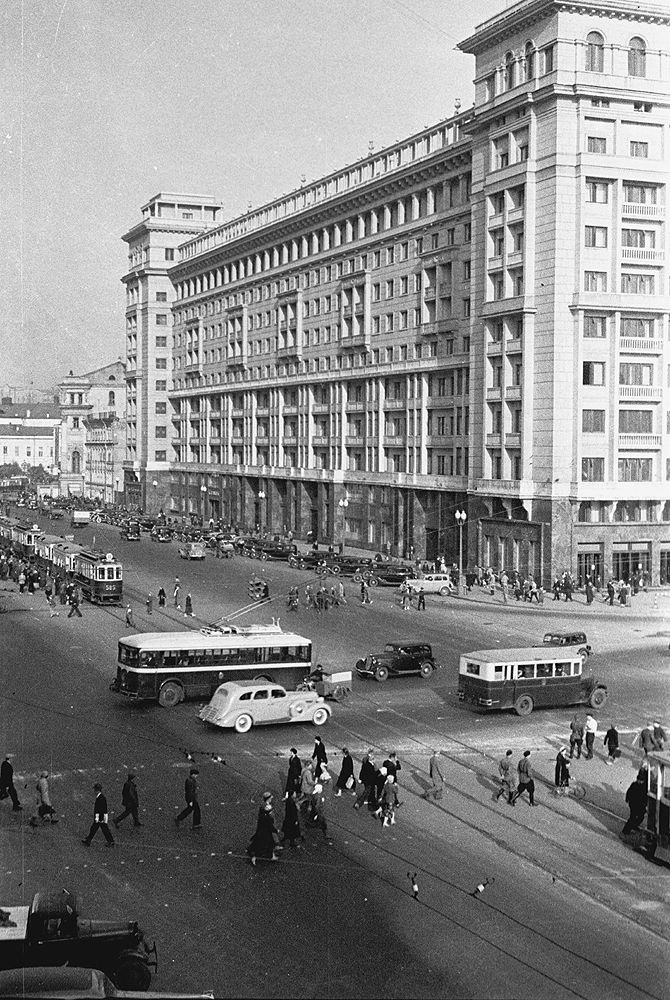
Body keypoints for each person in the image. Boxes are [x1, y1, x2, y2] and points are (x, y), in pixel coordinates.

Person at [247, 791, 281, 864]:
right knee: (265, 843)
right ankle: (257, 856)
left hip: (263, 830)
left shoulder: (264, 807)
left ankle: (268, 855)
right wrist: (275, 830)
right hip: (265, 831)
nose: (272, 798)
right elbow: (269, 823)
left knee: (261, 843)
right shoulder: (266, 810)